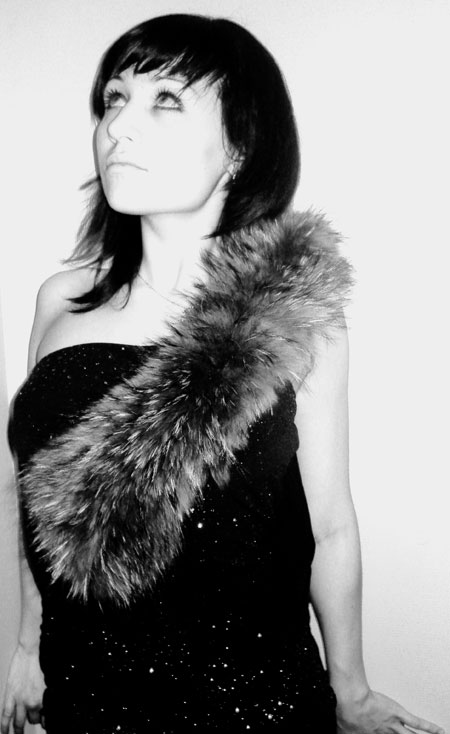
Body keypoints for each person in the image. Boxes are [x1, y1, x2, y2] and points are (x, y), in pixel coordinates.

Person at [0, 13, 445, 734]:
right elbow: (35, 495)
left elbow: (331, 525)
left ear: (239, 148)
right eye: (114, 100)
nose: (119, 127)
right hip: (87, 696)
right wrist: (26, 646)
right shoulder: (60, 301)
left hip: (254, 704)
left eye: (165, 101)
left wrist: (352, 688)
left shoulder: (296, 317)